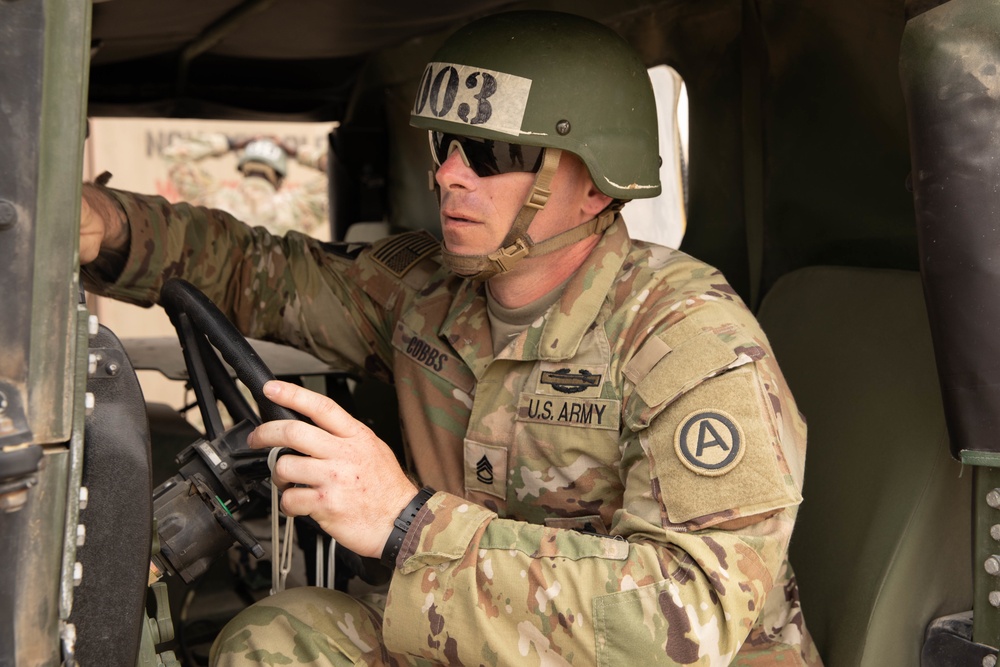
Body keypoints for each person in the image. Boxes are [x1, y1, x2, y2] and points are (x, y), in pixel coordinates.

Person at [79, 10, 820, 666]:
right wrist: (111, 228)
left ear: (596, 185)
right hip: (478, 633)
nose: (451, 176)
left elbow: (688, 620)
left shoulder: (691, 341)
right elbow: (262, 271)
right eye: (446, 143)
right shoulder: (425, 294)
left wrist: (404, 523)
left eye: (493, 154)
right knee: (278, 640)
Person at [161, 132, 330, 238]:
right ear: (279, 179)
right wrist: (295, 152)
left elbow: (174, 155)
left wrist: (231, 143)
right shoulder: (298, 209)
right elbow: (341, 172)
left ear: (244, 170)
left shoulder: (212, 198)